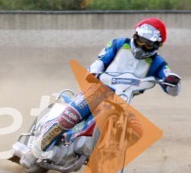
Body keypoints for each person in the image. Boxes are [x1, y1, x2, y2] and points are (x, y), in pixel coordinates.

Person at [32, 17, 181, 157]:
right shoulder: (118, 44)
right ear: (135, 35)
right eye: (141, 40)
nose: (142, 46)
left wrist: (172, 80)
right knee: (69, 117)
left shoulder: (157, 62)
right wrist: (94, 72)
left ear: (157, 45)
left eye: (148, 44)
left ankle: (105, 156)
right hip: (98, 90)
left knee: (136, 132)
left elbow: (171, 86)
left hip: (122, 101)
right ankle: (37, 147)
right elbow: (100, 61)